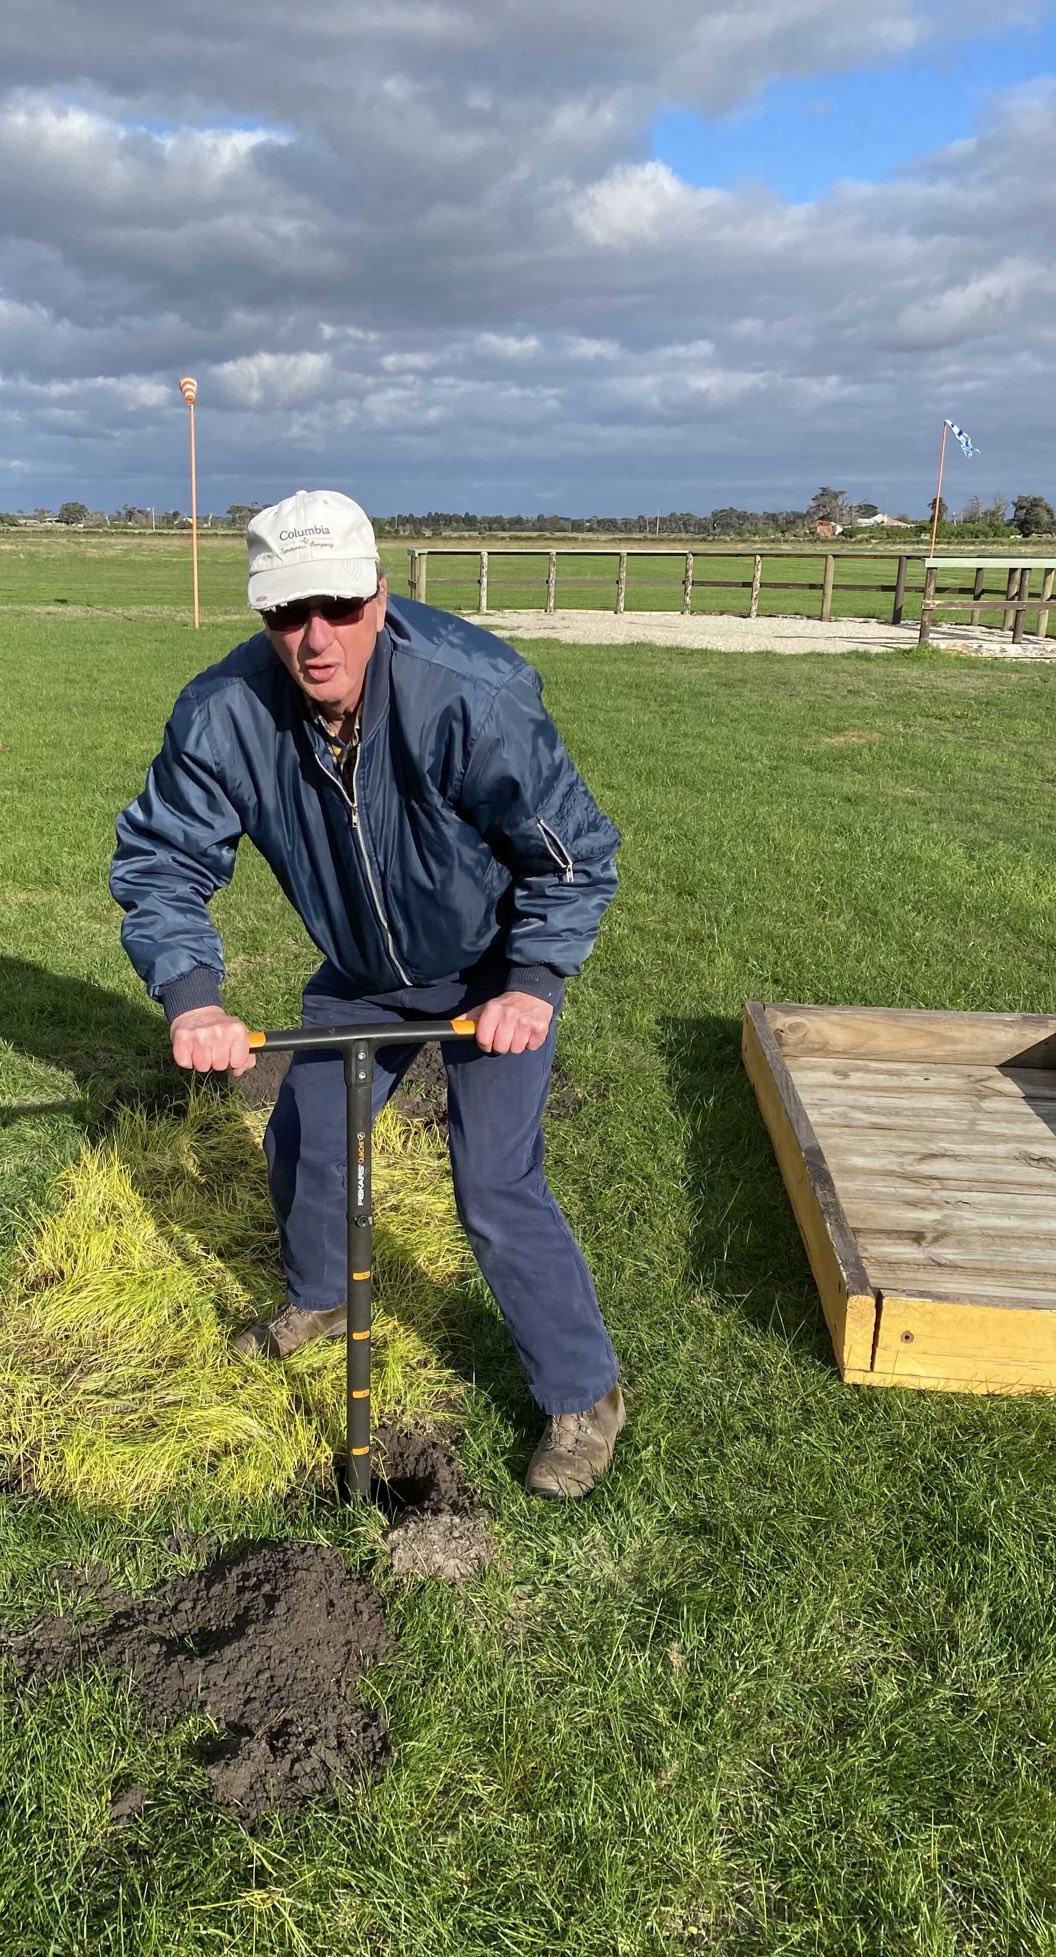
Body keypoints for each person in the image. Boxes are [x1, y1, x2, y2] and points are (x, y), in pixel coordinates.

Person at [110, 489, 624, 1498]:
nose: (313, 638)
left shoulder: (470, 690)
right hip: (359, 971)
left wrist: (531, 980)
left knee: (496, 1184)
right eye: (286, 612)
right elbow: (164, 861)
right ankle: (322, 1296)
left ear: (380, 597)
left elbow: (570, 857)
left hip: (488, 968)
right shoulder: (225, 713)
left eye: (337, 607)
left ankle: (583, 1392)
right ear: (261, 614)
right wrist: (191, 995)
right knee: (303, 1137)